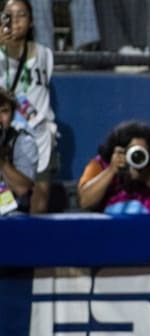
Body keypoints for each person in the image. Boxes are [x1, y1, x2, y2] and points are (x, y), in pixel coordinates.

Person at [0, 0, 57, 213]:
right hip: (6, 133)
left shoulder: (44, 54)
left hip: (40, 134)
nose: (15, 20)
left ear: (32, 21)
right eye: (9, 14)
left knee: (39, 197)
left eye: (21, 14)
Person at [76, 120, 150, 214]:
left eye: (142, 151)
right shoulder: (98, 164)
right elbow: (85, 202)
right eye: (131, 151)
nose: (136, 156)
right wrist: (111, 170)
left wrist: (148, 178)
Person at [0, 86, 36, 214]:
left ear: (13, 114)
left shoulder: (23, 141)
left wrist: (3, 163)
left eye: (4, 111)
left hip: (11, 213)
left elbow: (23, 189)